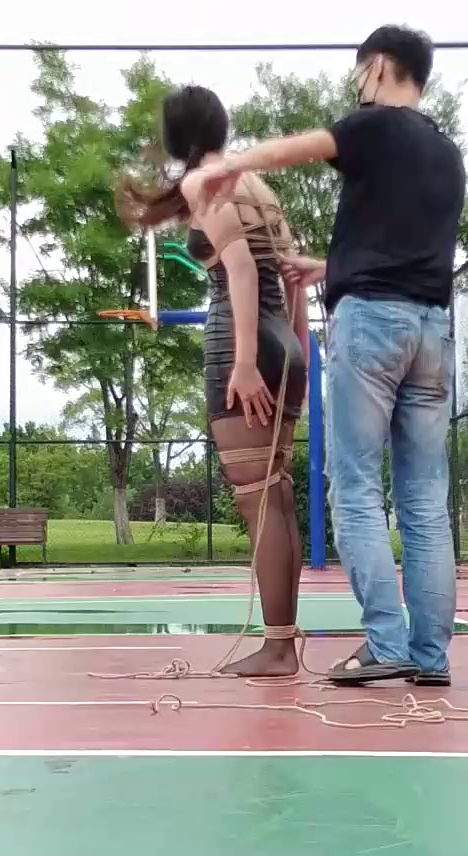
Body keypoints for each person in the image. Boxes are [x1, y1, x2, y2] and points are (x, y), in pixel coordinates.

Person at [185, 25, 464, 687]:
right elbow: (406, 250)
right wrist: (328, 267)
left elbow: (304, 146)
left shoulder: (378, 124)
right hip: (432, 331)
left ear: (380, 66)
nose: (358, 84)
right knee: (426, 500)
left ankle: (386, 644)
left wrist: (231, 164)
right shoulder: (447, 153)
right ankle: (430, 656)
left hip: (371, 329)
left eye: (361, 71)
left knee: (357, 488)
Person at [117, 85, 311, 677]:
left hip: (243, 342)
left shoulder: (209, 183)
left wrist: (246, 363)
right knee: (275, 493)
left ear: (179, 136)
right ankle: (281, 640)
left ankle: (278, 647)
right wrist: (299, 352)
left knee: (258, 497)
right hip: (283, 341)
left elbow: (243, 269)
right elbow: (294, 277)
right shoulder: (258, 186)